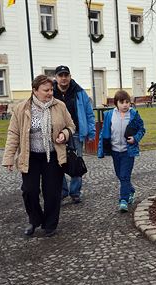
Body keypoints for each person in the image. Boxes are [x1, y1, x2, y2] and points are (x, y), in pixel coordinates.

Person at [2, 75, 76, 237]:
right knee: (29, 191)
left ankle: (50, 224)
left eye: (51, 90)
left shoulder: (59, 106)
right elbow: (13, 133)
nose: (50, 93)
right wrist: (8, 158)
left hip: (53, 157)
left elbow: (71, 126)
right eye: (46, 90)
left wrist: (65, 133)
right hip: (31, 157)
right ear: (35, 91)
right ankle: (34, 220)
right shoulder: (22, 108)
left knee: (52, 192)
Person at [53, 65, 95, 203]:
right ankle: (62, 191)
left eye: (66, 75)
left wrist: (91, 132)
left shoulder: (79, 92)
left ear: (70, 76)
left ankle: (75, 192)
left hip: (76, 132)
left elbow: (89, 113)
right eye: (61, 75)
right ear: (56, 77)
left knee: (76, 162)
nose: (64, 78)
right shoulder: (50, 92)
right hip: (56, 133)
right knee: (57, 163)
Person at [97, 90, 145, 212]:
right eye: (122, 102)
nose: (125, 105)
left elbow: (141, 129)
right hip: (114, 151)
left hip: (128, 151)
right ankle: (131, 190)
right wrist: (101, 147)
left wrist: (135, 138)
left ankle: (123, 200)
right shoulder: (109, 115)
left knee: (124, 175)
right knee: (120, 175)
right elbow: (104, 132)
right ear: (116, 103)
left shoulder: (134, 114)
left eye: (127, 102)